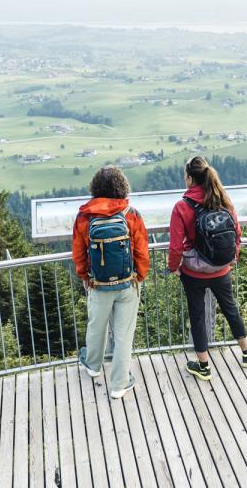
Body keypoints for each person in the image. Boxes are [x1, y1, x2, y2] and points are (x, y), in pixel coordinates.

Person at [168, 156, 247, 380]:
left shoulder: (182, 206)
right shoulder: (222, 199)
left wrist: (174, 268)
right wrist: (232, 257)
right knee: (230, 309)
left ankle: (203, 366)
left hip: (193, 272)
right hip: (221, 269)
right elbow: (236, 232)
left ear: (190, 179)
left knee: (197, 316)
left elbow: (175, 246)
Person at [73, 166, 149, 398]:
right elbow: (142, 252)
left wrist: (85, 276)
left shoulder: (85, 216)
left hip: (98, 285)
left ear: (96, 187)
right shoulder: (131, 213)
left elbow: (78, 253)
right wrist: (139, 276)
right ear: (122, 187)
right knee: (124, 334)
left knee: (96, 325)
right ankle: (119, 384)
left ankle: (93, 366)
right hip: (127, 283)